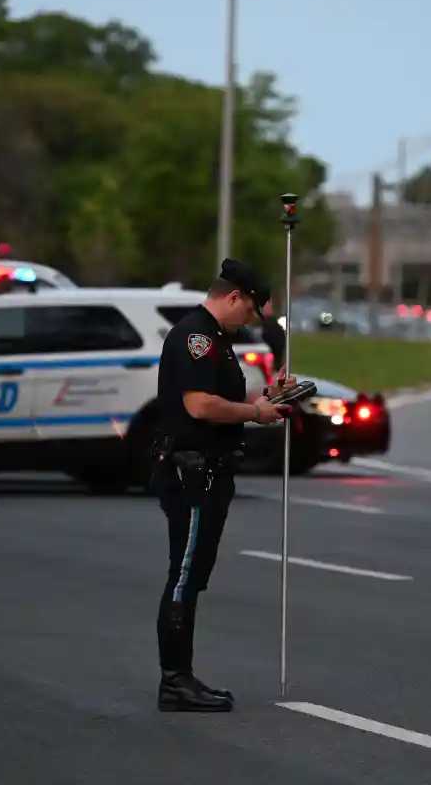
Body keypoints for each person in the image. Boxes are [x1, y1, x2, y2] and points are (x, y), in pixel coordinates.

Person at [151, 258, 295, 712]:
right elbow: (199, 406)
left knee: (193, 575)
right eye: (250, 312)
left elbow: (224, 400)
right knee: (184, 576)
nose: (250, 321)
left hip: (211, 472)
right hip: (193, 473)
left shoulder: (216, 339)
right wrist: (256, 414)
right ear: (233, 297)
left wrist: (268, 399)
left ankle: (182, 678)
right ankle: (174, 681)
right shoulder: (196, 337)